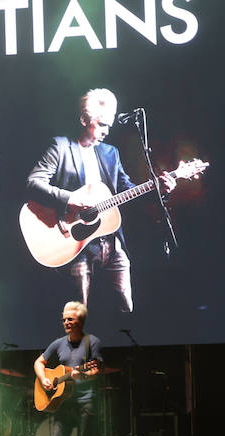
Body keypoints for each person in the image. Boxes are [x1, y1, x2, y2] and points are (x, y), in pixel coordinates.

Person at [25, 87, 176, 313]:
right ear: (84, 119)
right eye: (102, 124)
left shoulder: (110, 153)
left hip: (111, 243)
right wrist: (71, 201)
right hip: (73, 243)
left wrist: (160, 190)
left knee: (126, 307)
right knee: (77, 315)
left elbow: (128, 191)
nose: (107, 131)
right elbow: (33, 183)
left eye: (109, 125)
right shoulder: (60, 147)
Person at [33, 301, 103, 436]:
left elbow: (95, 369)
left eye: (70, 319)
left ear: (80, 322)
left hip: (85, 401)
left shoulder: (92, 342)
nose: (65, 323)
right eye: (64, 319)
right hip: (64, 403)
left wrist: (84, 375)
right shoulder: (58, 343)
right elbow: (39, 362)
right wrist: (44, 379)